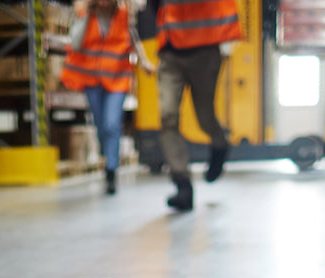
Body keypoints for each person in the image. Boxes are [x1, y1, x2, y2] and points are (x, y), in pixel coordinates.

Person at [150, 0, 242, 211]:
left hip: (204, 48)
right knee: (168, 116)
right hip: (170, 51)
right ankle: (182, 183)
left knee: (204, 117)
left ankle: (219, 143)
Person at [60, 0, 154, 195]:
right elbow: (75, 43)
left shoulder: (123, 15)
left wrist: (144, 61)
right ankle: (108, 158)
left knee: (112, 124)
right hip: (92, 79)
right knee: (101, 126)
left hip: (117, 79)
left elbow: (134, 38)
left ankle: (111, 170)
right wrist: (86, 15)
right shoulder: (85, 14)